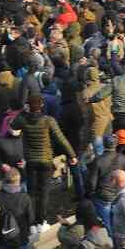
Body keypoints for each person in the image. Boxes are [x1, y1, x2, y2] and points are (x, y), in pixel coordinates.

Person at [11, 93, 77, 229]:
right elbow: (61, 138)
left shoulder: (23, 119)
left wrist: (24, 111)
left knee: (32, 192)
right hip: (46, 161)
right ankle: (41, 221)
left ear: (29, 105)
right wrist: (72, 155)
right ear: (41, 105)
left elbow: (13, 125)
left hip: (31, 162)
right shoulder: (48, 120)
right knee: (44, 192)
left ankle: (32, 222)